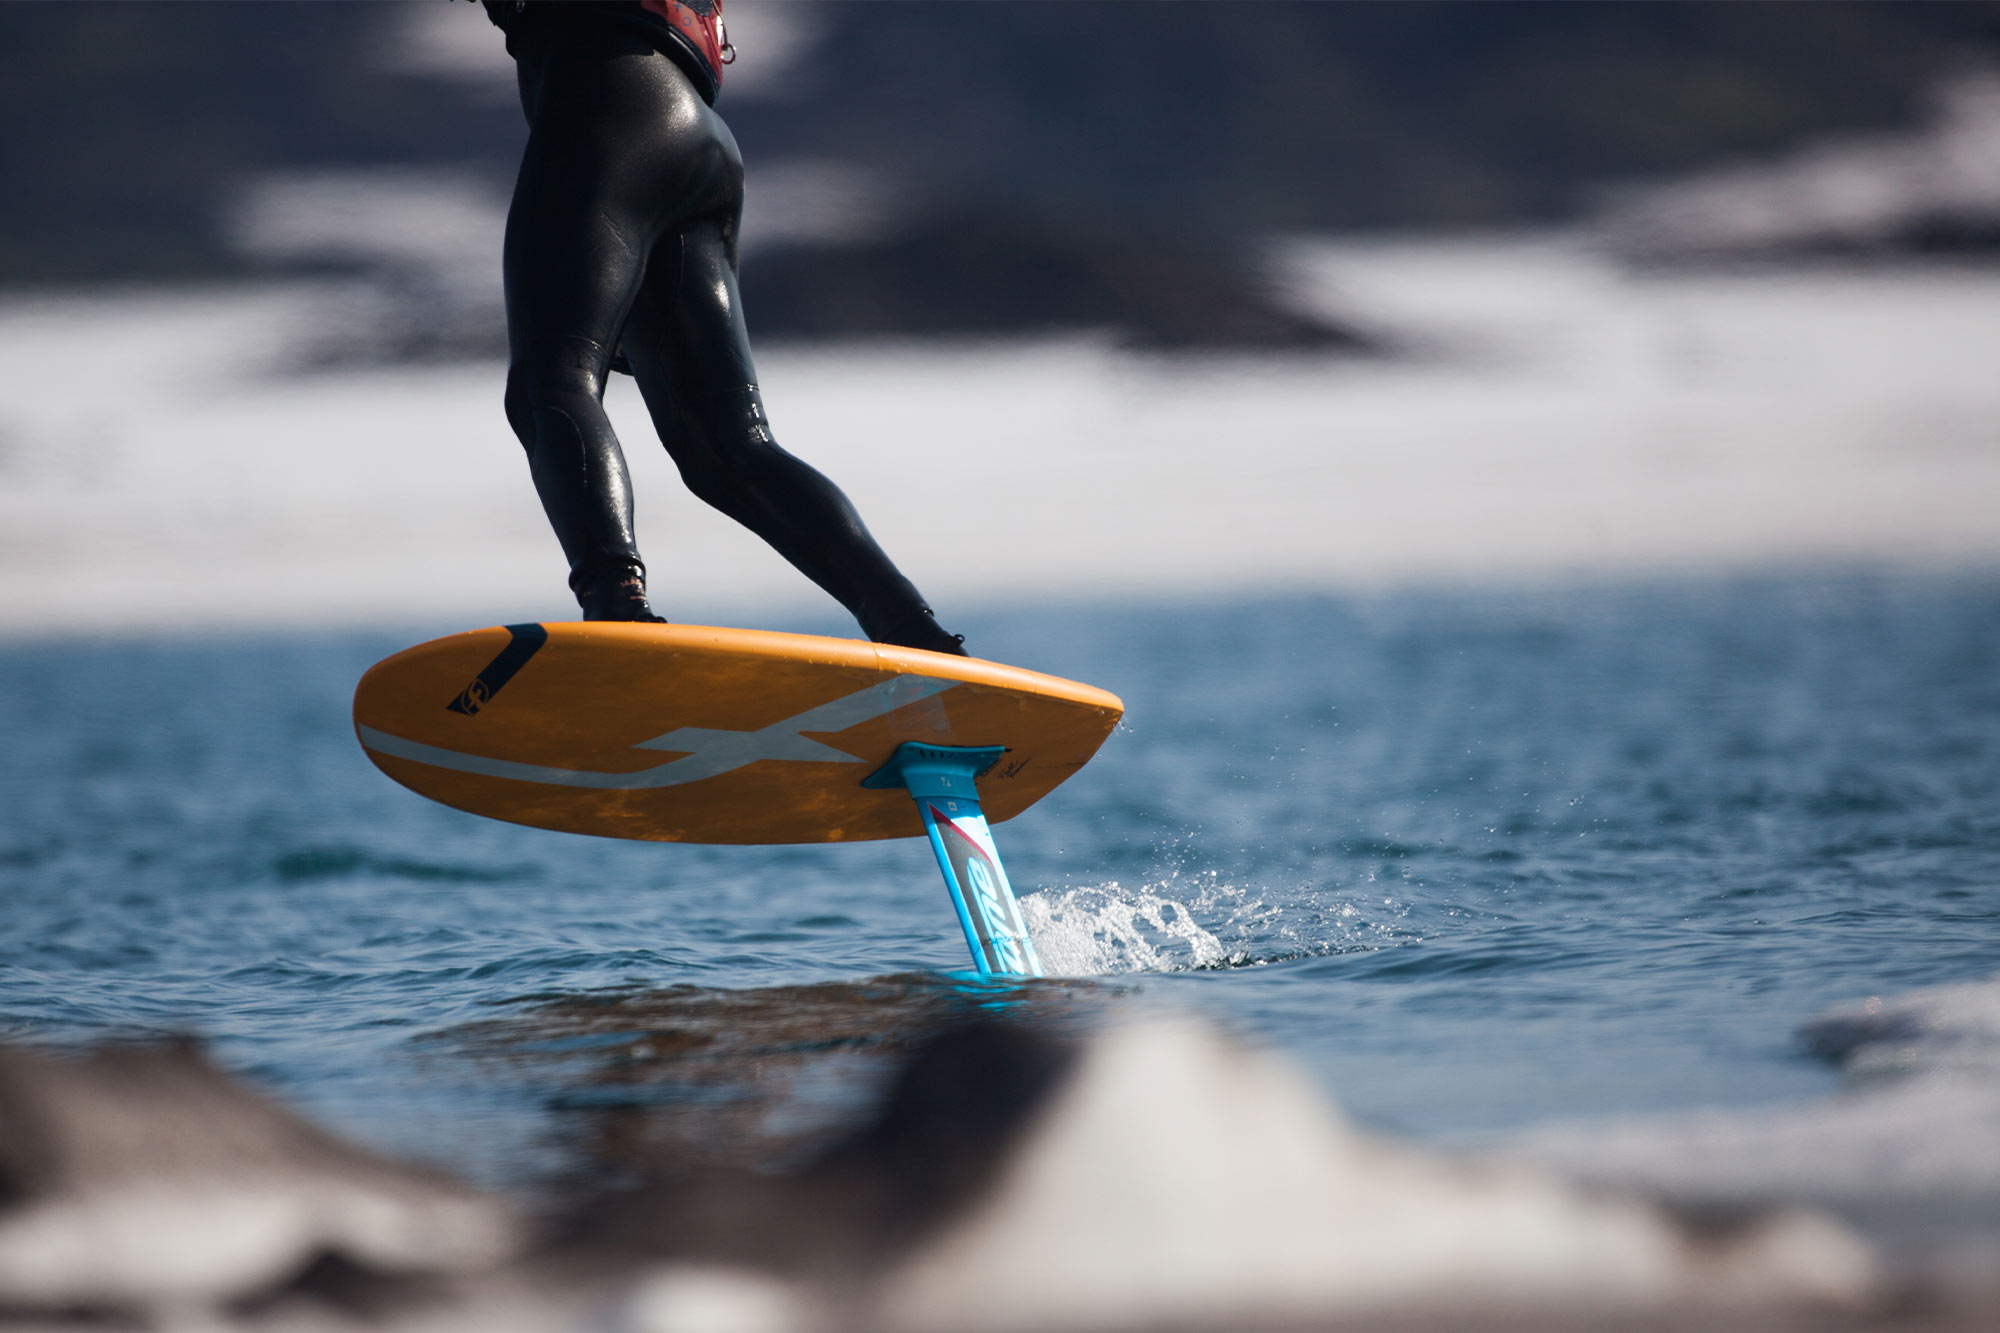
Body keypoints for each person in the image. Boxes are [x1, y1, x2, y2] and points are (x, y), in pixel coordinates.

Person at [481, 0, 967, 655]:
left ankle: (616, 608)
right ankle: (917, 632)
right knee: (730, 450)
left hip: (609, 111)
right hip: (697, 144)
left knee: (551, 383)